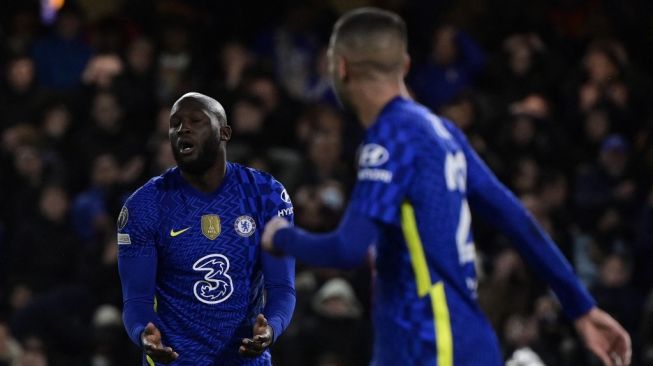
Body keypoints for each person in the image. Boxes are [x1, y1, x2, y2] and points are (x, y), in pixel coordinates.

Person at [262, 7, 631, 366]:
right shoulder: (442, 132)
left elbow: (347, 249)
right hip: (446, 341)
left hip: (430, 342)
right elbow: (519, 221)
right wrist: (581, 306)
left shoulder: (391, 137)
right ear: (404, 66)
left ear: (340, 68)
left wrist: (279, 236)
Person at [118, 92, 296, 365]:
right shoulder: (146, 204)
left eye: (195, 120)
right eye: (174, 123)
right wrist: (143, 333)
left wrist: (270, 328)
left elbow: (282, 286)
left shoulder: (265, 195)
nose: (183, 128)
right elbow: (137, 300)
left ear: (224, 132)